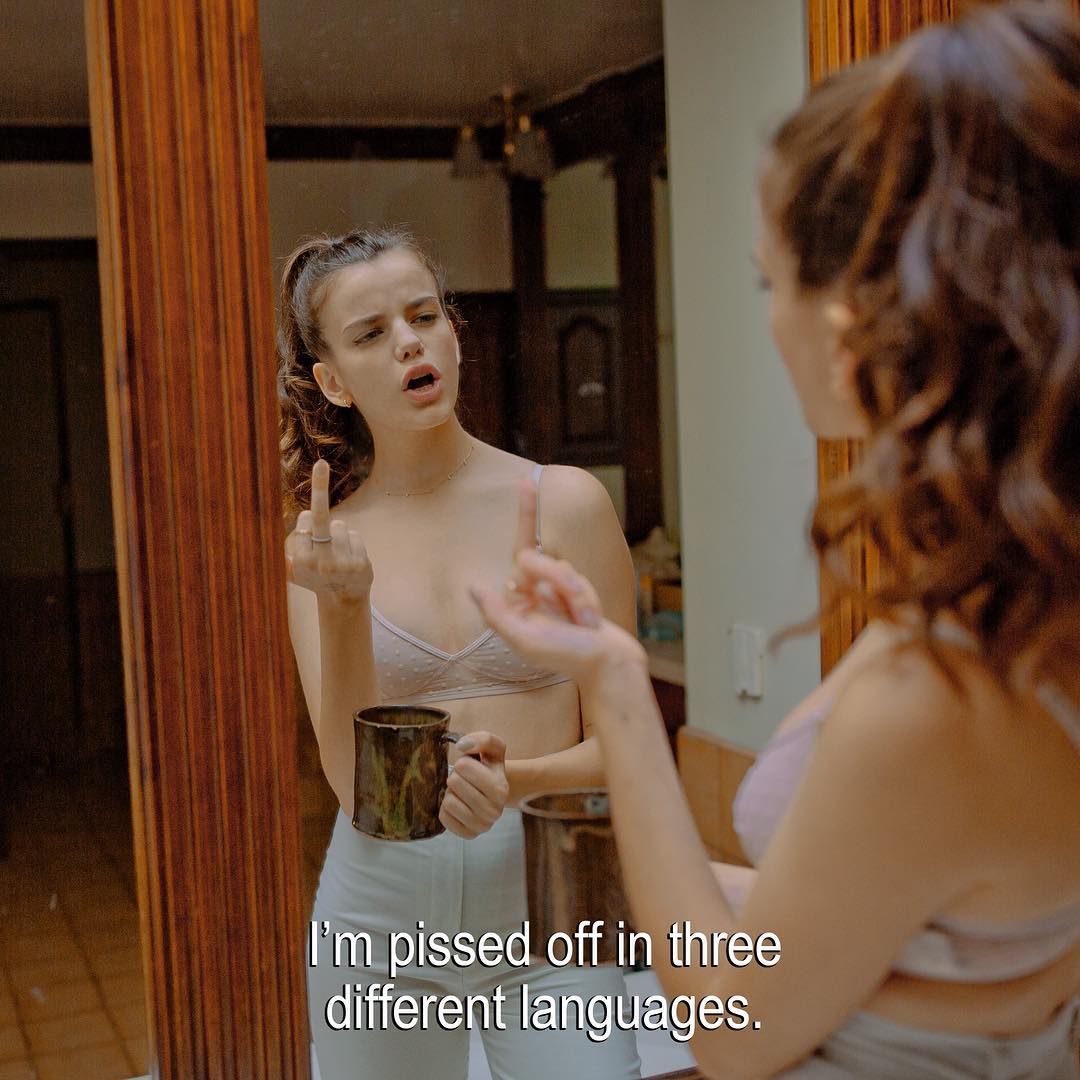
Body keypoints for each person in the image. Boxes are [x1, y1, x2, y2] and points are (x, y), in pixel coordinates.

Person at [473, 4, 1080, 1077]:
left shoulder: (934, 698)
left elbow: (731, 1028)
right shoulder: (1031, 605)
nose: (768, 317)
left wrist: (618, 690)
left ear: (852, 321)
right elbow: (910, 918)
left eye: (769, 277)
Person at [277, 227, 641, 1079]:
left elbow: (633, 745)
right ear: (333, 381)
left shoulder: (566, 504)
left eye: (423, 315)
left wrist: (520, 781)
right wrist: (344, 605)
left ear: (452, 332)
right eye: (371, 333)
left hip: (551, 907)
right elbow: (354, 786)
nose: (409, 341)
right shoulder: (324, 547)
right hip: (378, 923)